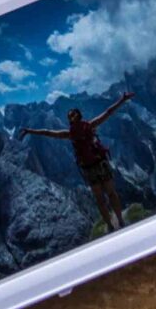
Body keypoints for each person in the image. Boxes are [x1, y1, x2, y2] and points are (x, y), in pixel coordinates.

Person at [17, 92, 137, 232]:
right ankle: (121, 221)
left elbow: (47, 132)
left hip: (88, 169)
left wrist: (30, 131)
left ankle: (110, 226)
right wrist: (122, 99)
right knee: (111, 193)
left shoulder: (69, 134)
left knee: (99, 200)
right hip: (100, 164)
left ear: (70, 120)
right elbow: (108, 112)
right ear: (80, 116)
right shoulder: (90, 126)